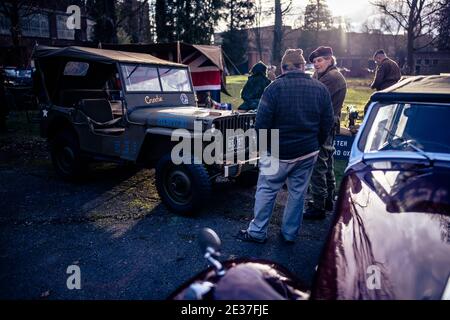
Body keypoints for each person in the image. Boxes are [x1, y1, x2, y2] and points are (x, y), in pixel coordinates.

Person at [237, 49, 334, 244]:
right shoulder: (320, 88)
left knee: (266, 189)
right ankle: (289, 234)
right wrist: (317, 143)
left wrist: (264, 150)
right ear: (302, 66)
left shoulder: (274, 88)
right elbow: (327, 123)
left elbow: (261, 124)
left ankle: (257, 232)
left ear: (283, 68)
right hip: (307, 151)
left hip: (278, 152)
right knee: (297, 193)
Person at [303, 46, 347, 220]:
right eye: (314, 62)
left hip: (324, 125)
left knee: (318, 164)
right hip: (326, 123)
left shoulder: (332, 77)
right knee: (327, 163)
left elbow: (313, 99)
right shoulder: (324, 75)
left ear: (330, 59)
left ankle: (318, 205)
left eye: (320, 60)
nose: (316, 64)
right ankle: (328, 200)